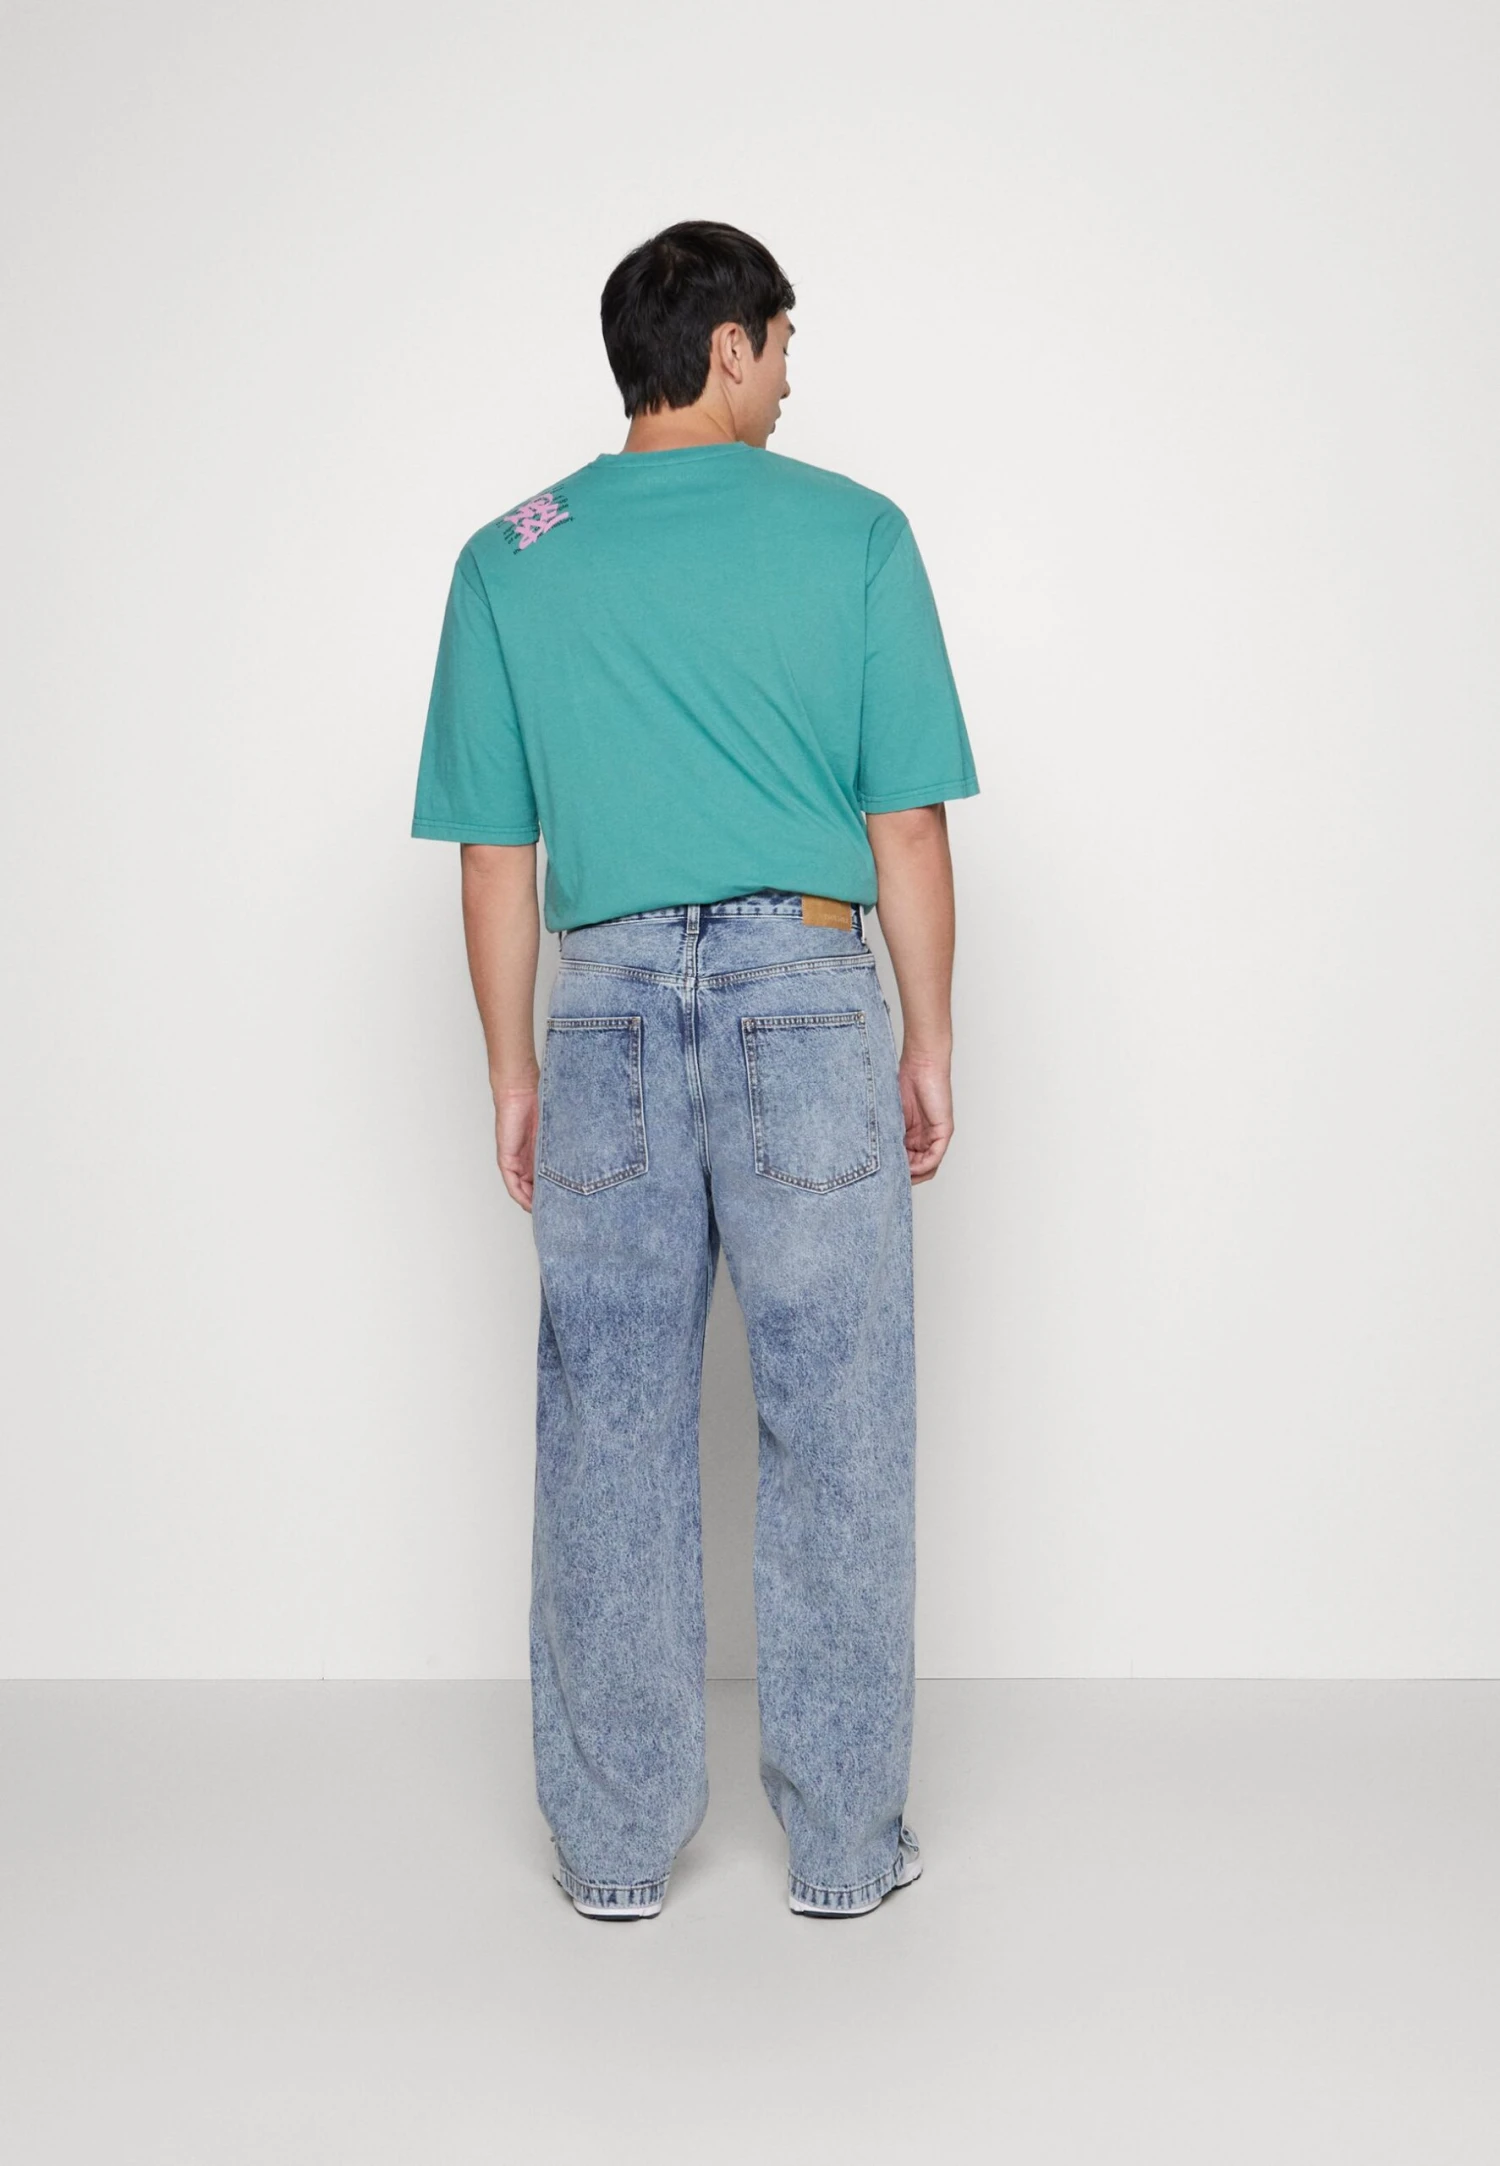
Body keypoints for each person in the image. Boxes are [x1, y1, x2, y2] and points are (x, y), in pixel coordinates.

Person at [411, 220, 978, 1920]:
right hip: (808, 995)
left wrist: (513, 1068)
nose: (792, 379)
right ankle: (845, 1849)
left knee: (611, 1422)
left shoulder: (511, 556)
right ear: (727, 345)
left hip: (599, 1017)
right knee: (839, 1420)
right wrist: (929, 1034)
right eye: (784, 344)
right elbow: (905, 824)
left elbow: (496, 857)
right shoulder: (856, 532)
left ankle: (609, 1852)